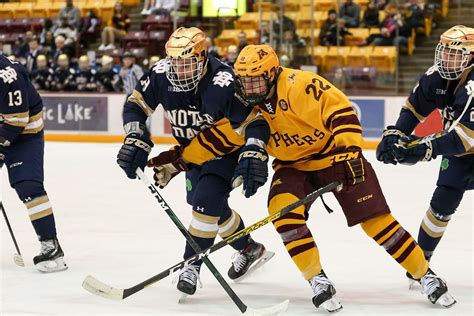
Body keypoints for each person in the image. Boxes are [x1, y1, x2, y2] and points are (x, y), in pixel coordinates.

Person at [161, 44, 458, 311]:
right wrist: (180, 161)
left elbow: (341, 110)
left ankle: (425, 275)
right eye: (244, 80)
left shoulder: (299, 85)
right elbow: (220, 138)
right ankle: (318, 279)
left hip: (337, 157)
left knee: (377, 222)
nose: (248, 87)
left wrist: (349, 150)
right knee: (282, 214)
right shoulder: (244, 102)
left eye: (255, 80)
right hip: (293, 166)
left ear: (273, 74)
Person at [116, 27, 273, 296]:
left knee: (205, 202)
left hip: (226, 150)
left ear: (202, 58)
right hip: (194, 151)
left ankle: (192, 265)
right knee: (208, 206)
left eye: (186, 63)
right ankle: (248, 248)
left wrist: (254, 151)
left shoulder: (223, 81)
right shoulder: (160, 74)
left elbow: (255, 121)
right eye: (175, 62)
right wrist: (134, 135)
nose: (179, 70)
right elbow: (136, 105)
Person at [376, 25, 474, 273]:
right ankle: (421, 261)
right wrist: (397, 133)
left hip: (465, 142)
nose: (445, 59)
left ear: (471, 56)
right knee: (442, 201)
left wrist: (421, 150)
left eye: (453, 54)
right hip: (462, 153)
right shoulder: (437, 77)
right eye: (444, 52)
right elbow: (413, 108)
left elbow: (465, 138)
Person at [0, 55, 67, 272]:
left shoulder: (8, 76)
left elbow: (17, 119)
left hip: (25, 133)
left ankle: (51, 246)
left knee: (28, 185)